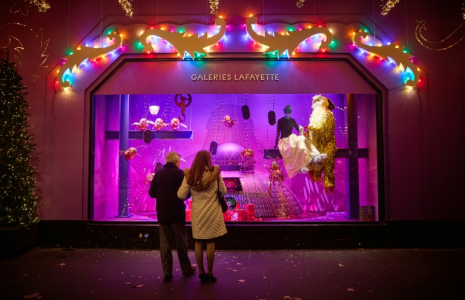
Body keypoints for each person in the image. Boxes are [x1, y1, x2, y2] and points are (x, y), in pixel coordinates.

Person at [177, 150, 227, 283]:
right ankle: (210, 272)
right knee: (210, 242)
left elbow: (181, 195)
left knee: (198, 242)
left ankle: (201, 271)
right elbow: (223, 191)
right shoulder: (215, 173)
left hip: (198, 214)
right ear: (208, 160)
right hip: (212, 213)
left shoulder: (190, 175)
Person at [148, 151, 196, 282]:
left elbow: (152, 193)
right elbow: (187, 194)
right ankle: (186, 268)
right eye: (179, 160)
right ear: (176, 161)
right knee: (181, 241)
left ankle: (167, 272)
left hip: (163, 212)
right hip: (177, 212)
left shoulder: (159, 174)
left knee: (165, 243)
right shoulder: (180, 174)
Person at [306, 94, 337, 193]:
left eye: (318, 102)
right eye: (314, 102)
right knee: (315, 165)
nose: (316, 104)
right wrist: (309, 131)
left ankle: (328, 184)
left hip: (327, 144)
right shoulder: (314, 118)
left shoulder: (328, 115)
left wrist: (313, 129)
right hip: (316, 145)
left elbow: (328, 131)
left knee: (327, 165)